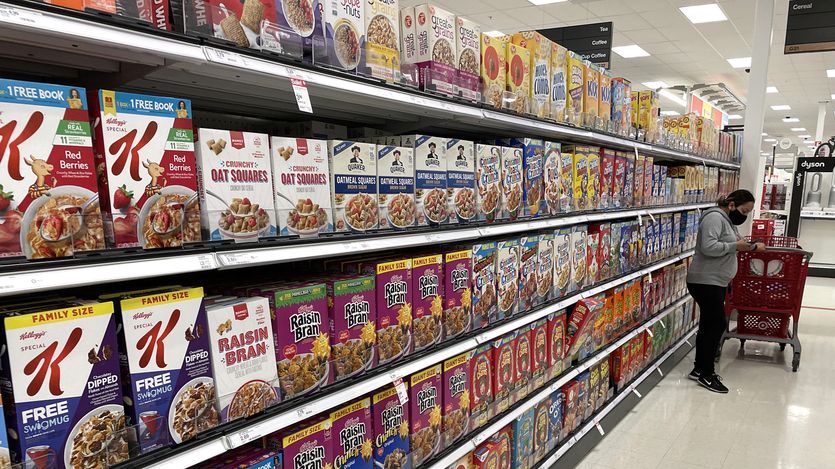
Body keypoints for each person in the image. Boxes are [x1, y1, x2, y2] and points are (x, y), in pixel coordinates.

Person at [686, 189, 765, 394]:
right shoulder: (714, 218)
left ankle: (699, 368)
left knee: (708, 324)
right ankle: (706, 374)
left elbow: (733, 243)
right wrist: (735, 246)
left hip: (716, 280)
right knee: (716, 324)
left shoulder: (727, 220)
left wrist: (750, 246)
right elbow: (709, 247)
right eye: (744, 211)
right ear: (731, 205)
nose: (744, 215)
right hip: (705, 280)